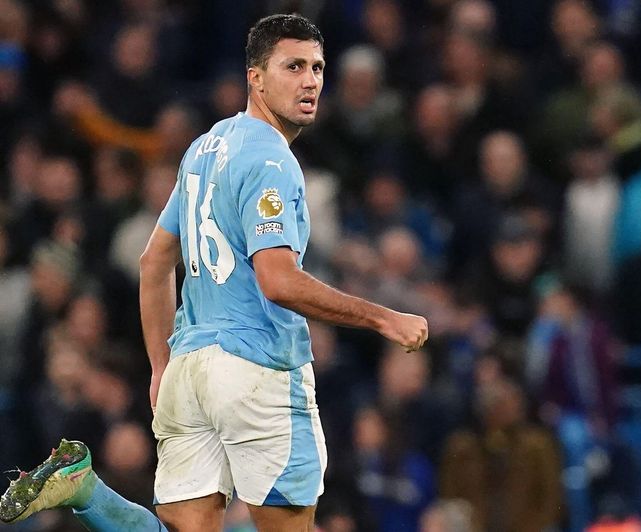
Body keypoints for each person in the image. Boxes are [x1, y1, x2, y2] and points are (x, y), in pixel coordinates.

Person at [0, 13, 428, 532]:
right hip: (256, 369)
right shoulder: (272, 161)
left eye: (317, 67)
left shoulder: (204, 149)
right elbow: (278, 279)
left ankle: (86, 490)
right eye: (293, 66)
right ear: (255, 76)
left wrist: (161, 366)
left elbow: (155, 262)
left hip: (190, 369)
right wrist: (384, 319)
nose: (310, 80)